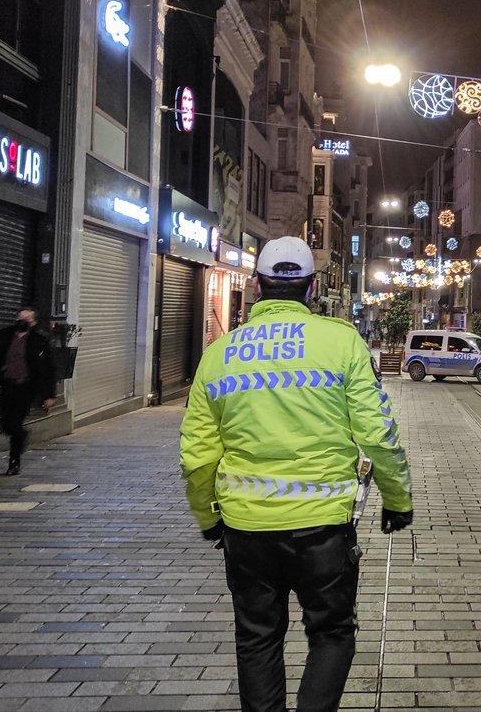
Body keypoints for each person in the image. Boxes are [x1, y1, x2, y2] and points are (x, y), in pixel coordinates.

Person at [180, 236, 414, 712]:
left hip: (246, 528)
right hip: (323, 529)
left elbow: (197, 454)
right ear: (311, 288)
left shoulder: (220, 353)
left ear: (256, 285)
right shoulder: (342, 341)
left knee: (257, 637)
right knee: (331, 633)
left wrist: (208, 518)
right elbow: (377, 433)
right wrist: (397, 499)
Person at [0, 307, 56, 476]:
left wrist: (49, 395)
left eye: (27, 319)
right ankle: (21, 435)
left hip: (26, 388)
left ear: (33, 323)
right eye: (20, 318)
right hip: (7, 386)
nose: (22, 322)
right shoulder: (4, 338)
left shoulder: (39, 342)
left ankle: (14, 462)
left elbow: (49, 369)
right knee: (6, 424)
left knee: (15, 422)